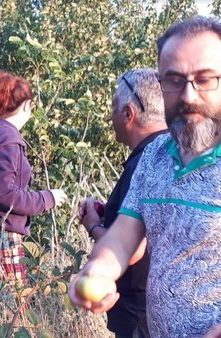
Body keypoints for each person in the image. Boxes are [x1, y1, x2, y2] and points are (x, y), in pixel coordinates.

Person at [69, 17, 221, 338]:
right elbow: (124, 236)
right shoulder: (154, 156)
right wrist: (98, 270)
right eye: (174, 80)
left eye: (205, 79)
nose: (188, 96)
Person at [78, 68, 167, 338]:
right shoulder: (169, 155)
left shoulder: (145, 162)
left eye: (114, 109)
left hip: (139, 314)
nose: (111, 117)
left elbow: (132, 250)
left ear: (129, 114)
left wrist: (93, 225)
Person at [0, 71, 67, 287]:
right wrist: (48, 198)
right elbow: (6, 194)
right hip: (1, 233)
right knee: (12, 309)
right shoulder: (8, 140)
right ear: (27, 105)